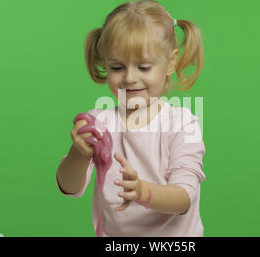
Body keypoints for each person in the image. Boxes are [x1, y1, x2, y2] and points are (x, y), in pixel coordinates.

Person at [56, 0, 205, 237]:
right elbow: (69, 187)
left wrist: (142, 192)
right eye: (117, 67)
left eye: (144, 67)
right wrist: (79, 152)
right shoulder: (100, 123)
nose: (129, 78)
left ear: (170, 63)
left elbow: (184, 197)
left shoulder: (183, 125)